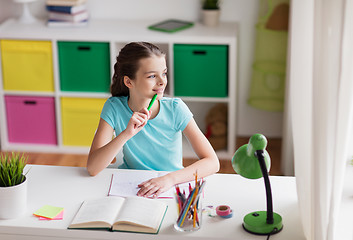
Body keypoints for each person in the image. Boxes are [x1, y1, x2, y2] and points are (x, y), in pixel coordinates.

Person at [87, 42, 220, 198]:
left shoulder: (176, 109)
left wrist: (169, 179)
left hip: (169, 187)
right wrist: (126, 134)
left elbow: (212, 162)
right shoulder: (114, 107)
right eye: (152, 76)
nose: (162, 81)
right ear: (129, 82)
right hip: (131, 187)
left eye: (164, 73)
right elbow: (93, 168)